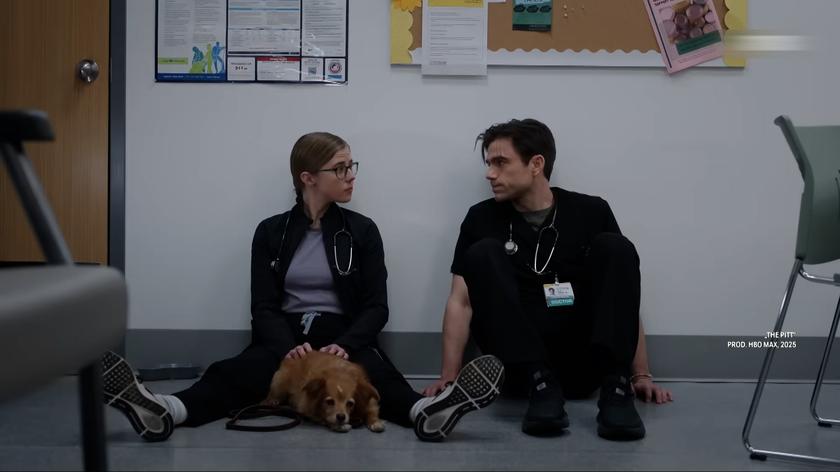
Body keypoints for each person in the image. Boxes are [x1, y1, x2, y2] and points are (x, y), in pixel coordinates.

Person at [102, 132, 504, 442]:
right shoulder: (271, 232)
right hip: (287, 335)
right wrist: (284, 346)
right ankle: (165, 409)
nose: (351, 176)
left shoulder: (362, 231)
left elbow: (376, 307)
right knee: (238, 371)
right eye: (340, 168)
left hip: (342, 334)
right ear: (308, 178)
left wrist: (345, 343)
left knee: (374, 376)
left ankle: (425, 412)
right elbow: (263, 306)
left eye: (352, 165)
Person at [423, 119, 672, 441]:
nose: (490, 174)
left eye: (500, 162)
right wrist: (448, 377)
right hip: (520, 371)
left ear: (536, 164)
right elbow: (461, 302)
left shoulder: (591, 211)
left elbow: (621, 298)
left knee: (616, 248)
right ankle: (541, 385)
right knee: (482, 253)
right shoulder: (481, 218)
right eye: (488, 164)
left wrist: (640, 375)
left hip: (584, 363)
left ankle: (617, 391)